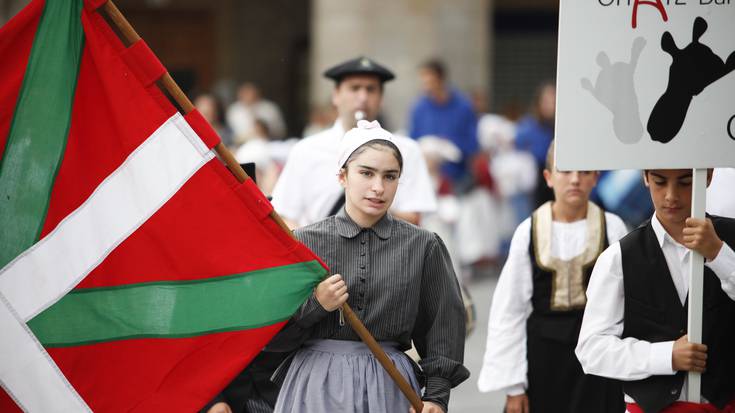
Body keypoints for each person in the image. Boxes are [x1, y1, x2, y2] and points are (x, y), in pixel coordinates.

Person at [267, 120, 469, 413]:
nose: (378, 187)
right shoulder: (304, 243)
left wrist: (436, 395)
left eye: (390, 176)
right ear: (342, 176)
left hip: (389, 385)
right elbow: (271, 335)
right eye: (366, 173)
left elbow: (443, 324)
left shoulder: (423, 245)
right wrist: (316, 305)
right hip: (315, 386)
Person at [477, 141, 628, 413]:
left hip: (598, 362)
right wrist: (514, 387)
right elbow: (509, 310)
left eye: (584, 172)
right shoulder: (528, 231)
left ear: (595, 177)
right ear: (548, 177)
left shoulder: (613, 228)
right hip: (543, 360)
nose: (574, 180)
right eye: (565, 170)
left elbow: (627, 302)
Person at [576, 169, 735, 413]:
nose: (671, 196)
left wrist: (719, 254)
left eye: (685, 182)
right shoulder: (619, 257)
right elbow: (591, 349)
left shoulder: (730, 240)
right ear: (646, 177)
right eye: (660, 182)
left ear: (708, 176)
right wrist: (665, 355)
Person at [271, 56, 436, 228]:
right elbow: (284, 216)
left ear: (381, 99)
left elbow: (415, 219)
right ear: (336, 95)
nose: (363, 97)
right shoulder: (306, 150)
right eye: (354, 88)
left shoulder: (407, 149)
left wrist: (370, 205)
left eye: (371, 90)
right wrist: (313, 246)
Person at [408, 59, 478, 190]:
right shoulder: (419, 108)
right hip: (426, 179)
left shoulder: (464, 107)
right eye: (423, 81)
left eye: (429, 80)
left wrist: (448, 149)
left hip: (457, 180)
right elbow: (413, 140)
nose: (425, 85)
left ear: (441, 79)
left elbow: (473, 144)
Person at [515, 82, 556, 208]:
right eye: (547, 101)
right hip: (534, 185)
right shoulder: (528, 126)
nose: (551, 106)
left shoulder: (560, 128)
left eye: (554, 101)